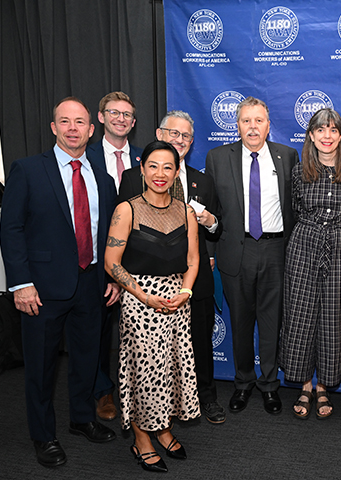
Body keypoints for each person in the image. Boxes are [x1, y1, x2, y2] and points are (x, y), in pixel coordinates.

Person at [0, 97, 119, 468]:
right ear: (53, 127)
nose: (72, 128)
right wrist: (20, 283)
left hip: (91, 283)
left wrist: (112, 276)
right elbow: (11, 229)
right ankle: (43, 435)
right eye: (64, 121)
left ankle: (82, 418)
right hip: (42, 288)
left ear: (91, 129)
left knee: (86, 358)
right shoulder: (27, 170)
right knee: (41, 366)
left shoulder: (103, 179)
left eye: (79, 122)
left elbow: (109, 234)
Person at [118, 110, 225, 425]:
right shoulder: (132, 178)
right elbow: (121, 232)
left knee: (199, 342)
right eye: (173, 133)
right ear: (159, 134)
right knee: (151, 351)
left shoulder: (203, 180)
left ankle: (206, 398)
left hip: (194, 277)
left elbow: (216, 229)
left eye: (186, 136)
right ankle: (155, 407)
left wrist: (211, 221)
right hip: (147, 281)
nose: (179, 140)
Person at [105, 140, 200, 473]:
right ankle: (142, 438)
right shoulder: (126, 210)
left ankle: (163, 429)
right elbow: (112, 262)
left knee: (171, 369)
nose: (160, 174)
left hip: (177, 300)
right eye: (153, 166)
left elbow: (192, 260)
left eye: (168, 167)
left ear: (176, 172)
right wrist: (144, 296)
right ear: (142, 169)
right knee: (144, 373)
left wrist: (185, 292)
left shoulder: (186, 211)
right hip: (139, 302)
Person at [205, 96, 298, 415]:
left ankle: (270, 385)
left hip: (276, 250)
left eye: (259, 120)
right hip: (236, 251)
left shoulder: (287, 156)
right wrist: (210, 254)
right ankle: (243, 382)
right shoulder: (218, 157)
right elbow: (212, 210)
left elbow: (295, 207)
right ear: (237, 125)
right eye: (246, 120)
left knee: (272, 323)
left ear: (269, 125)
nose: (253, 127)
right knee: (240, 323)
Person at [278, 108, 341, 419]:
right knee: (300, 314)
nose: (327, 136)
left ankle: (323, 386)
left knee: (333, 316)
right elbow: (293, 209)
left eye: (333, 130)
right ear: (311, 136)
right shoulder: (298, 171)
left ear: (340, 135)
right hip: (304, 244)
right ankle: (304, 383)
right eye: (320, 130)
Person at [86, 91, 143, 422]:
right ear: (101, 117)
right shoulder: (85, 156)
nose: (121, 119)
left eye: (127, 115)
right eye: (114, 113)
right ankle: (102, 390)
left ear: (133, 123)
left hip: (140, 259)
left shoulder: (145, 157)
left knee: (137, 333)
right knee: (99, 330)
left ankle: (137, 391)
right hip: (98, 260)